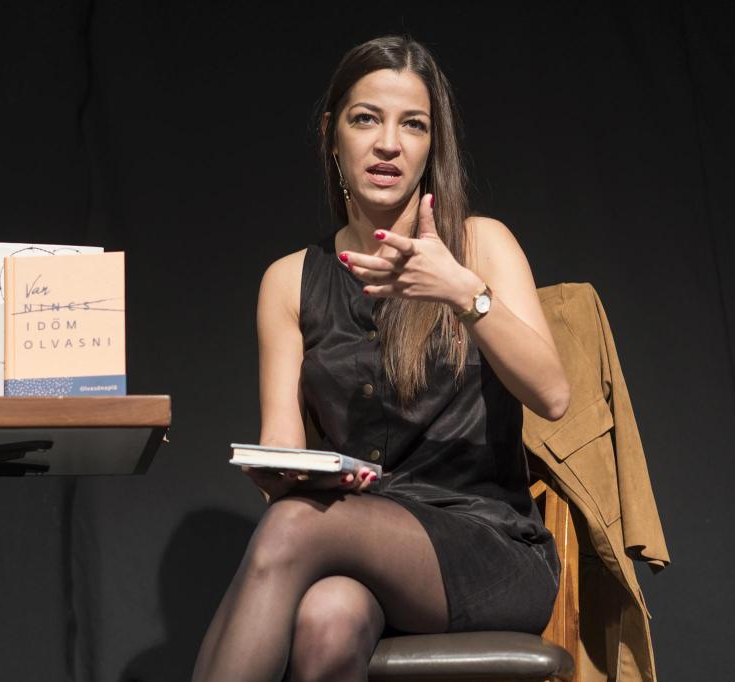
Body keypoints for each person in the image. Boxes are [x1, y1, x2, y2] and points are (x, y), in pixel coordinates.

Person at [192, 35, 571, 682]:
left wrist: (461, 291)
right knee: (326, 618)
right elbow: (282, 444)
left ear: (431, 145)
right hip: (365, 541)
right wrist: (281, 474)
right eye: (366, 118)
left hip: (490, 546)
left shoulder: (480, 244)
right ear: (331, 135)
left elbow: (553, 396)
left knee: (292, 527)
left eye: (413, 125)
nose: (389, 143)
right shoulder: (288, 281)